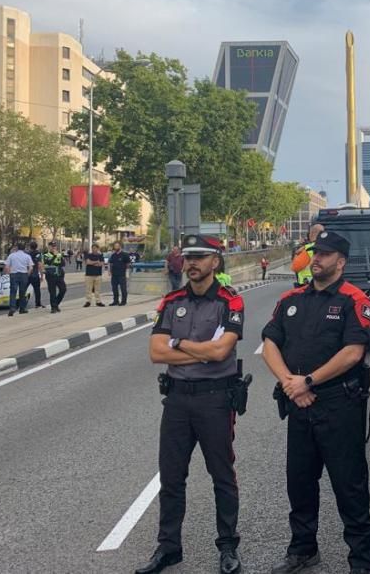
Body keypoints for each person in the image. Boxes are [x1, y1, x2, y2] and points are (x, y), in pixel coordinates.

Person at [261, 230, 370, 574]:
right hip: (299, 404)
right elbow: (269, 343)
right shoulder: (291, 299)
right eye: (315, 253)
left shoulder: (354, 301)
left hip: (339, 405)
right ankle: (303, 549)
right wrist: (291, 384)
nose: (316, 259)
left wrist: (309, 381)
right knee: (299, 482)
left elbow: (353, 352)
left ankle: (361, 560)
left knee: (349, 485)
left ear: (340, 262)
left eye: (324, 255)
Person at [136, 234, 245, 574]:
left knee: (222, 476)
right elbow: (156, 353)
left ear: (216, 262)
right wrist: (200, 351)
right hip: (178, 401)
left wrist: (179, 342)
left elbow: (220, 352)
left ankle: (228, 547)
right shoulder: (171, 302)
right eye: (188, 257)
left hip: (215, 401)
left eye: (200, 257)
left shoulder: (230, 302)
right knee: (171, 478)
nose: (192, 263)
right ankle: (168, 548)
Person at [5, 243, 34, 317]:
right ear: (24, 249)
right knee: (22, 292)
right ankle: (22, 308)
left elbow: (7, 266)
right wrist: (27, 274)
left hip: (14, 274)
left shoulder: (11, 255)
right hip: (23, 274)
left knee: (13, 292)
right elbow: (31, 268)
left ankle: (12, 308)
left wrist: (9, 274)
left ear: (17, 248)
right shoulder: (27, 256)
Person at [43, 241, 67, 313]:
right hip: (50, 276)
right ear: (49, 247)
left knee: (63, 289)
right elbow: (48, 263)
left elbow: (63, 264)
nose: (54, 248)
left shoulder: (59, 255)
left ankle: (56, 304)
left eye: (55, 246)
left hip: (59, 275)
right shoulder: (46, 255)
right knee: (52, 292)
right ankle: (53, 307)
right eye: (52, 246)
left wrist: (59, 256)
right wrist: (55, 256)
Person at [108, 241, 131, 306]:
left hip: (122, 275)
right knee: (114, 288)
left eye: (117, 246)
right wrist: (109, 271)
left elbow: (128, 264)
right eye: (115, 246)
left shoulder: (125, 255)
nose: (116, 247)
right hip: (114, 275)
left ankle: (123, 301)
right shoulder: (113, 255)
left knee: (123, 288)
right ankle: (115, 301)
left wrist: (126, 272)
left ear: (120, 246)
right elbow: (111, 263)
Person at [27, 241, 45, 309]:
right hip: (35, 274)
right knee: (37, 290)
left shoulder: (27, 254)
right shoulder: (38, 254)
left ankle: (21, 305)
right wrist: (42, 275)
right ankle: (38, 304)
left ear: (30, 247)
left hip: (27, 274)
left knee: (23, 289)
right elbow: (40, 265)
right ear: (36, 247)